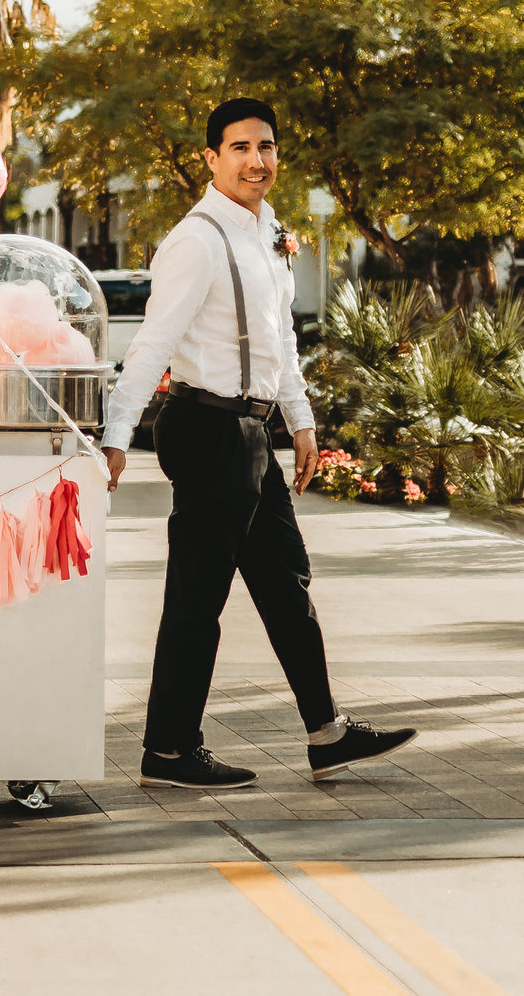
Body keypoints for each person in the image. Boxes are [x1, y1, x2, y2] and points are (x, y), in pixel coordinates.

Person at [101, 97, 416, 788]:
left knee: (284, 579)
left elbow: (281, 342)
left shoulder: (266, 233)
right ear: (211, 158)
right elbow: (153, 340)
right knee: (198, 596)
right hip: (206, 424)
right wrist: (117, 434)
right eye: (239, 146)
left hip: (248, 430)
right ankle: (169, 750)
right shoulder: (198, 239)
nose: (256, 159)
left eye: (266, 146)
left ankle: (326, 731)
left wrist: (299, 420)